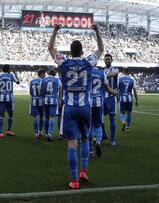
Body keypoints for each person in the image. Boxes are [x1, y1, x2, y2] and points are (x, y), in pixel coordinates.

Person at [48, 23, 104, 189]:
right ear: (82, 52)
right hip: (86, 107)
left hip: (70, 108)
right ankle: (84, 171)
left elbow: (50, 48)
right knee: (85, 139)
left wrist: (56, 30)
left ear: (70, 52)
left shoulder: (64, 63)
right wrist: (97, 31)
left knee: (72, 143)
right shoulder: (88, 63)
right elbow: (101, 49)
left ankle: (74, 180)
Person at [89, 66, 118, 158]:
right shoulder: (102, 73)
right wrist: (115, 92)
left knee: (89, 126)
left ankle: (90, 151)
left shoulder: (86, 72)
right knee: (99, 124)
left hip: (88, 103)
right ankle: (98, 141)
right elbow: (108, 89)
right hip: (98, 102)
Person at [0, 65, 20, 138]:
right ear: (9, 69)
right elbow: (18, 82)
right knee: (10, 114)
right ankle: (9, 130)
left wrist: (0, 94)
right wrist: (15, 73)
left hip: (1, 97)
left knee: (1, 115)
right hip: (9, 98)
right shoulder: (11, 76)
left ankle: (0, 132)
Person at [41, 68, 62, 142]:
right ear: (55, 73)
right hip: (53, 100)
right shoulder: (57, 80)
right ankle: (50, 134)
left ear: (49, 73)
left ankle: (46, 133)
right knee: (52, 118)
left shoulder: (43, 80)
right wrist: (59, 99)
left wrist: (43, 97)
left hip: (45, 100)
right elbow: (60, 89)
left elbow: (41, 89)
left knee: (46, 117)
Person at [103, 54, 119, 146]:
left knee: (112, 118)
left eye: (109, 59)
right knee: (99, 119)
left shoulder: (115, 69)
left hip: (111, 97)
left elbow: (115, 74)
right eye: (106, 59)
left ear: (111, 60)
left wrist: (104, 75)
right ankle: (104, 134)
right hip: (102, 97)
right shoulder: (102, 70)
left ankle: (113, 139)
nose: (107, 61)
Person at [29, 69, 46, 139]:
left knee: (36, 117)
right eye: (44, 74)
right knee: (42, 116)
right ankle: (40, 131)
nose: (45, 76)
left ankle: (36, 133)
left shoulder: (32, 81)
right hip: (41, 100)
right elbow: (44, 91)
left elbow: (30, 92)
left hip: (34, 100)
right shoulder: (44, 81)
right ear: (41, 74)